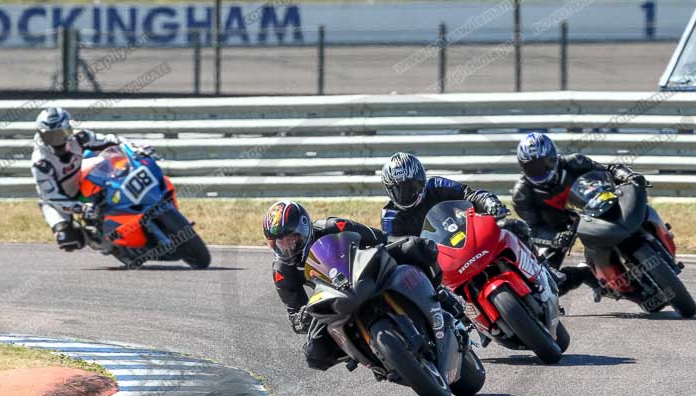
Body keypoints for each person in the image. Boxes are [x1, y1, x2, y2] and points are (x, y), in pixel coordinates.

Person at [263, 200, 463, 371]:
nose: (287, 247)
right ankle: (368, 356)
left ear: (304, 229)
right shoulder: (282, 270)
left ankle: (442, 297)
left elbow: (379, 238)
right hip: (332, 298)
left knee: (417, 247)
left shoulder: (333, 226)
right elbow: (294, 315)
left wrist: (396, 248)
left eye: (291, 239)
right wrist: (302, 317)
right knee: (314, 354)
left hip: (361, 271)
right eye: (279, 243)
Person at [511, 132, 647, 295]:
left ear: (553, 157)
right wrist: (555, 238)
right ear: (522, 167)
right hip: (559, 229)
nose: (540, 171)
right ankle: (586, 274)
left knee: (627, 202)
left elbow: (608, 170)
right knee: (548, 283)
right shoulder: (522, 194)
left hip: (593, 206)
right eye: (532, 167)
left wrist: (627, 175)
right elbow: (533, 229)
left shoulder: (575, 162)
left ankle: (649, 236)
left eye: (544, 163)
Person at [31, 107, 153, 251]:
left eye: (62, 134)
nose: (58, 141)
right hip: (59, 200)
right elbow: (52, 197)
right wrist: (80, 208)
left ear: (69, 129)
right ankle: (94, 237)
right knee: (68, 240)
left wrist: (134, 147)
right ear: (42, 136)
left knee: (114, 175)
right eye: (51, 137)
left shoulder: (80, 137)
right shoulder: (41, 163)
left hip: (81, 179)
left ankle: (135, 213)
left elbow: (112, 141)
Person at [380, 152, 531, 244]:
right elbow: (395, 246)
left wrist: (490, 203)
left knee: (514, 227)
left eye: (410, 187)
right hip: (434, 263)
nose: (405, 194)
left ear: (421, 180)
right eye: (398, 190)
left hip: (466, 238)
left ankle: (541, 267)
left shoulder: (436, 186)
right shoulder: (390, 217)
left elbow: (470, 195)